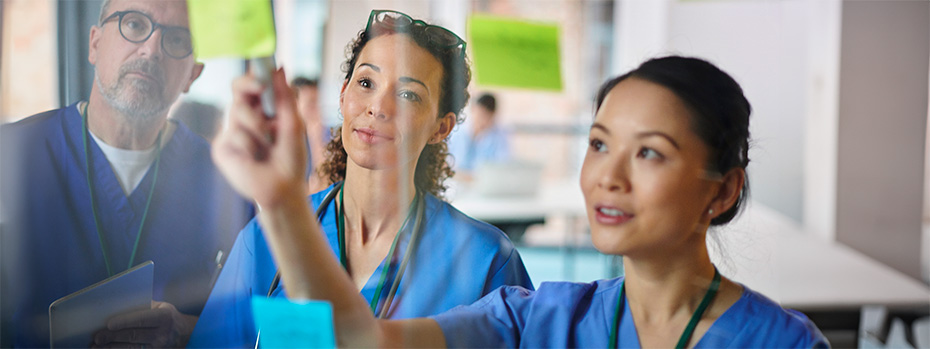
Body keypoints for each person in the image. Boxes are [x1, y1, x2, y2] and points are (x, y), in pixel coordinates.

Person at [210, 55, 830, 347]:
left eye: (649, 153)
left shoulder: (782, 345)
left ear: (723, 190)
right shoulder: (536, 319)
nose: (607, 176)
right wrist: (282, 198)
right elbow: (357, 339)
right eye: (597, 144)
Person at [189, 10, 533, 347]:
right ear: (343, 95)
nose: (378, 107)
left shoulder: (485, 260)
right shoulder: (265, 238)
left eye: (408, 95)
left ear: (440, 128)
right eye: (366, 83)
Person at [0, 0, 252, 347]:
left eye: (177, 39)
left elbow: (256, 325)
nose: (151, 50)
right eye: (134, 24)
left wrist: (183, 330)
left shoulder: (226, 182)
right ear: (95, 43)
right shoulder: (12, 155)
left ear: (193, 74)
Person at [448, 92, 511, 178]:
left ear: (493, 116)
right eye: (480, 114)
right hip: (454, 181)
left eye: (486, 117)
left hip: (480, 184)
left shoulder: (499, 137)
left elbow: (501, 167)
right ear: (473, 110)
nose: (482, 121)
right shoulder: (457, 131)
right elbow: (445, 162)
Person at [291, 77, 331, 193]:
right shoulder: (287, 140)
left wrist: (316, 138)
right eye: (310, 103)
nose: (316, 110)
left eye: (317, 102)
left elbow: (326, 183)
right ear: (294, 103)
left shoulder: (326, 134)